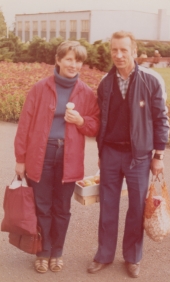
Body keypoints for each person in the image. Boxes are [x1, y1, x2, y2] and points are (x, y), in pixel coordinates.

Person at [87, 31, 170, 278]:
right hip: (111, 153)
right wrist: (101, 153)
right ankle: (104, 255)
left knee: (136, 208)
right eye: (115, 50)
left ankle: (133, 257)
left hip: (140, 157)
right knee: (108, 207)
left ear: (134, 52)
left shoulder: (151, 80)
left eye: (124, 50)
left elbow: (161, 119)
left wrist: (159, 155)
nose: (119, 55)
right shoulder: (105, 83)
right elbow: (102, 121)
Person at [14, 41, 100, 274]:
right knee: (42, 206)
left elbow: (94, 126)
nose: (74, 64)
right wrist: (20, 159)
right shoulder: (40, 88)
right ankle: (42, 252)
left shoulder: (85, 92)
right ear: (58, 60)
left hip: (69, 156)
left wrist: (81, 121)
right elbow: (25, 126)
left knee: (61, 208)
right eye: (69, 59)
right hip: (41, 154)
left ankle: (57, 252)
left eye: (78, 60)